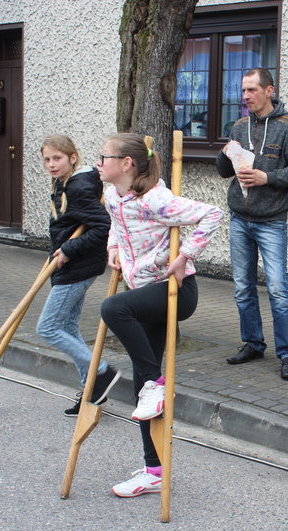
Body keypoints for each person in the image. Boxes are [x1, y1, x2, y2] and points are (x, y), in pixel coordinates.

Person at [98, 133, 223, 498]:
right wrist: (114, 246)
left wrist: (186, 255)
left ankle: (158, 384)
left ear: (127, 164)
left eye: (104, 156)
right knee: (140, 388)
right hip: (143, 295)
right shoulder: (111, 194)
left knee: (111, 308)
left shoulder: (157, 201)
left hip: (174, 292)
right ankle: (153, 471)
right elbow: (115, 222)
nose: (99, 162)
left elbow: (211, 214)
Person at [215, 67, 288, 381]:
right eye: (243, 91)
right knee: (243, 288)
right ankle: (253, 343)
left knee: (277, 289)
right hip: (239, 218)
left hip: (271, 220)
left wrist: (267, 177)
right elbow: (223, 171)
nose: (245, 96)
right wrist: (225, 151)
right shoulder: (239, 125)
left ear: (269, 90)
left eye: (251, 90)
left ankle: (287, 355)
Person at [35, 135, 119, 417]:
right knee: (68, 329)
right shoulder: (68, 183)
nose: (51, 164)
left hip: (76, 267)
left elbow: (102, 227)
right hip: (70, 266)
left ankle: (103, 372)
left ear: (73, 157)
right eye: (47, 159)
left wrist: (68, 250)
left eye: (57, 158)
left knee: (47, 328)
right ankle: (92, 391)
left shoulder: (79, 187)